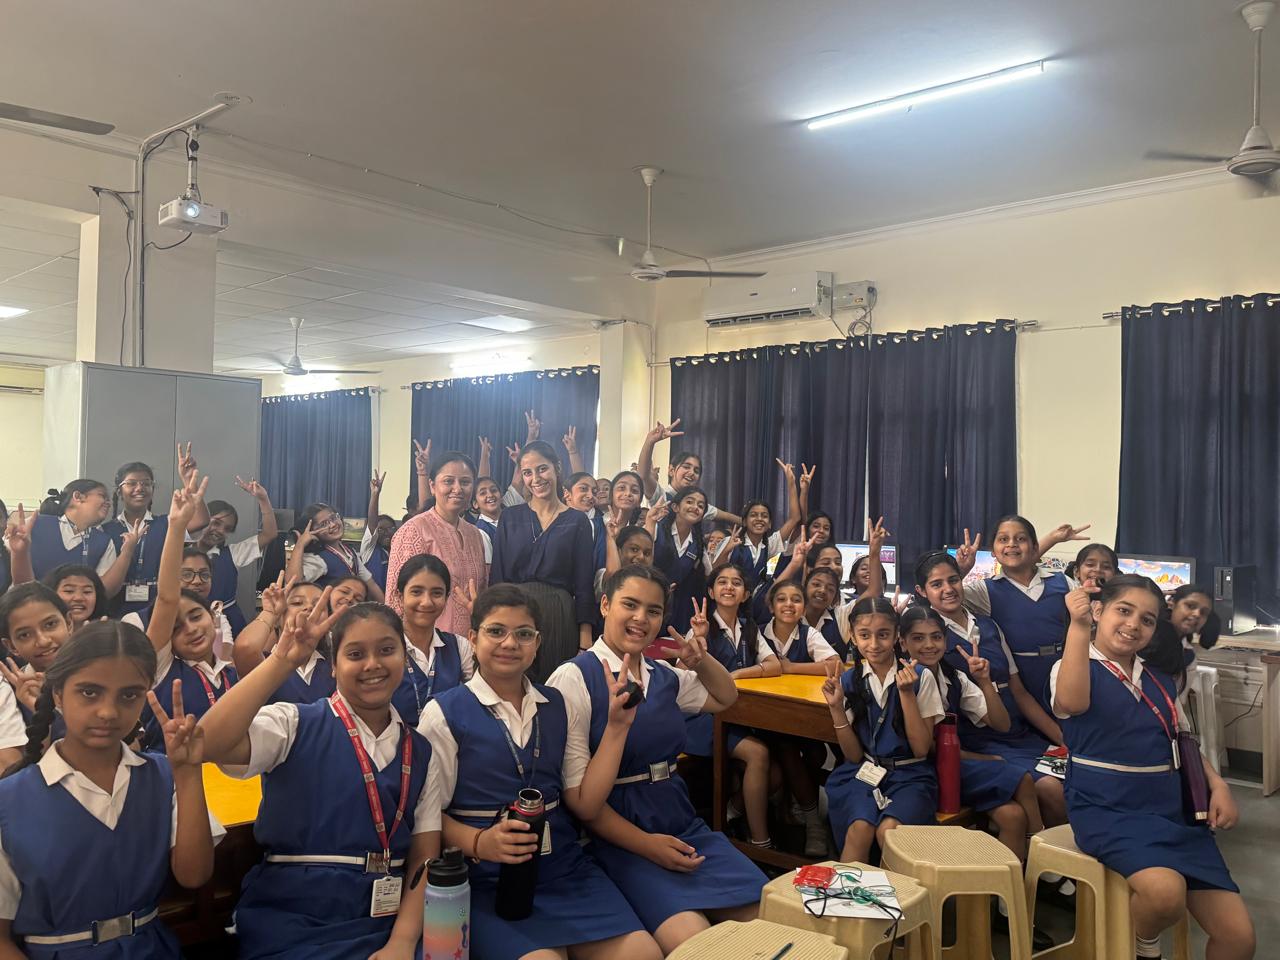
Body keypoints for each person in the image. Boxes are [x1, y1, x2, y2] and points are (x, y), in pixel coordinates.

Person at [418, 584, 663, 960]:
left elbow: (585, 801)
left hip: (563, 867)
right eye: (496, 631)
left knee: (644, 953)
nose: (509, 643)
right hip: (488, 877)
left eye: (523, 634)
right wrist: (480, 842)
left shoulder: (557, 704)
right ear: (473, 638)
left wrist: (617, 728)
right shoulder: (444, 712)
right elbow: (427, 817)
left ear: (537, 643)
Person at [199, 599, 443, 960]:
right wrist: (281, 662)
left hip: (388, 919)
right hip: (295, 915)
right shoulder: (293, 724)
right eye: (355, 654)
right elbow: (208, 743)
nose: (372, 664)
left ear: (404, 658)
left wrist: (403, 943)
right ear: (333, 666)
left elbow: (424, 856)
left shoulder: (420, 750)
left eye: (386, 650)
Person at [548, 566, 764, 953]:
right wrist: (648, 846)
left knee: (768, 917)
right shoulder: (574, 678)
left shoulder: (662, 674)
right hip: (618, 835)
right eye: (629, 605)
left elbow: (725, 697)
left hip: (680, 822)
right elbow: (579, 800)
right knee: (696, 941)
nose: (641, 618)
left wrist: (700, 661)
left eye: (653, 610)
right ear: (604, 605)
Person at [1052, 576, 1255, 960]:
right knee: (1164, 895)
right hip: (1107, 809)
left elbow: (1184, 741)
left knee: (1238, 938)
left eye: (1146, 619)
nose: (1133, 624)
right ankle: (1144, 946)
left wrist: (1218, 785)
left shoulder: (1159, 681)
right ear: (1098, 610)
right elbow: (1072, 702)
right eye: (1123, 610)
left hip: (1172, 813)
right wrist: (1078, 628)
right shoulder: (1073, 667)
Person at [0, 621, 217, 959]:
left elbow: (194, 876)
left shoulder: (163, 776)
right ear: (58, 695)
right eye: (89, 692)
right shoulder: (10, 801)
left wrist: (188, 775)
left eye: (129, 695)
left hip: (151, 948)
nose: (108, 712)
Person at [915, 550, 1066, 825]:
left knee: (1077, 774)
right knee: (1051, 788)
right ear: (922, 592)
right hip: (977, 739)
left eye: (953, 580)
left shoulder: (988, 625)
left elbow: (1019, 692)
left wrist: (1061, 738)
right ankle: (1046, 851)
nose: (948, 589)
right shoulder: (928, 640)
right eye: (937, 584)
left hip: (1018, 733)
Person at [899, 605, 1043, 859]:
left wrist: (985, 682)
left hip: (952, 764)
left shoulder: (954, 677)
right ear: (903, 643)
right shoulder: (905, 682)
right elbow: (928, 749)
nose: (929, 645)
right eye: (918, 638)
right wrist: (984, 759)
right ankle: (1041, 856)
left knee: (1013, 816)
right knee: (1022, 778)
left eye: (936, 637)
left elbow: (1001, 724)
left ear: (945, 640)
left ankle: (1017, 880)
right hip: (925, 769)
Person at [821, 597, 942, 864]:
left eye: (883, 634)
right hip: (864, 771)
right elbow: (853, 756)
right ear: (852, 636)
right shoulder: (849, 680)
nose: (874, 644)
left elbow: (921, 749)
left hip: (910, 774)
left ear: (897, 634)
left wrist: (906, 695)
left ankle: (897, 891)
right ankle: (848, 892)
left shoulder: (920, 677)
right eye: (865, 635)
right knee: (860, 828)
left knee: (889, 832)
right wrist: (836, 709)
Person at [683, 562, 779, 851]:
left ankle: (732, 811)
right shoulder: (700, 626)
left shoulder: (749, 628)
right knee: (758, 754)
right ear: (711, 592)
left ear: (746, 594)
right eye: (722, 582)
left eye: (736, 583)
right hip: (701, 718)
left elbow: (773, 665)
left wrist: (736, 675)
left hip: (735, 716)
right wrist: (699, 638)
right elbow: (682, 674)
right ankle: (760, 843)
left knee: (776, 773)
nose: (729, 587)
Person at [140, 473, 236, 752]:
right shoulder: (163, 669)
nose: (191, 628)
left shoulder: (231, 675)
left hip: (228, 776)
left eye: (196, 616)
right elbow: (167, 599)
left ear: (212, 617)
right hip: (171, 774)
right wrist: (176, 526)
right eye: (176, 628)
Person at [955, 518, 1087, 713]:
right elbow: (944, 597)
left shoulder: (1062, 582)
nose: (1011, 544)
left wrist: (1052, 538)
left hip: (1063, 669)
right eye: (1003, 539)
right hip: (1017, 680)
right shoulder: (985, 591)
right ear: (993, 551)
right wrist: (962, 569)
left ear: (1034, 547)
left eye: (1020, 539)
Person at [491, 442, 595, 681]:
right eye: (527, 473)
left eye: (542, 469)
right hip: (514, 615)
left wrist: (585, 638)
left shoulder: (577, 521)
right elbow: (498, 578)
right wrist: (495, 625)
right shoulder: (509, 517)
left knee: (556, 688)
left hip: (560, 615)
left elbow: (584, 584)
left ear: (557, 467)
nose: (536, 479)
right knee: (513, 686)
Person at [385, 452, 488, 634]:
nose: (457, 489)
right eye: (448, 481)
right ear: (432, 486)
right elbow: (395, 599)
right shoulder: (414, 531)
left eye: (465, 482)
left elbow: (481, 590)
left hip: (469, 641)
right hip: (426, 642)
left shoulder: (475, 534)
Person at [104, 454, 210, 615]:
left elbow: (200, 520)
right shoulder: (105, 531)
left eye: (146, 483)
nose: (139, 488)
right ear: (119, 492)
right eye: (131, 483)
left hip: (158, 607)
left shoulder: (167, 523)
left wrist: (189, 481)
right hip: (115, 609)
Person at [390, 555, 475, 727]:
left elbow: (482, 692)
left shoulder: (459, 646)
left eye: (437, 593)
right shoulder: (382, 648)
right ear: (400, 596)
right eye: (416, 592)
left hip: (446, 742)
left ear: (446, 598)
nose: (427, 602)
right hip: (394, 742)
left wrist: (483, 620)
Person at [191, 478, 279, 637]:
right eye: (216, 523)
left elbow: (269, 534)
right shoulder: (181, 551)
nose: (220, 530)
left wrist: (263, 499)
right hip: (191, 620)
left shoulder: (233, 553)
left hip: (229, 623)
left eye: (227, 529)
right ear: (204, 518)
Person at [27, 479, 138, 598]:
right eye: (102, 496)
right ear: (78, 497)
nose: (108, 503)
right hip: (34, 604)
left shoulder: (103, 541)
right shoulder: (36, 525)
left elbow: (104, 591)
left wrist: (127, 552)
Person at [0, 583, 74, 745]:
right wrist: (40, 714)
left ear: (69, 623)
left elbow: (128, 747)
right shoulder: (9, 694)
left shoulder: (100, 674)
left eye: (50, 624)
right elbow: (31, 759)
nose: (43, 641)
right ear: (11, 646)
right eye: (25, 635)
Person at [636, 420, 741, 526]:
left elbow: (728, 517)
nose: (691, 473)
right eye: (686, 467)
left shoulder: (697, 504)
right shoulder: (661, 497)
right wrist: (650, 441)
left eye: (696, 471)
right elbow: (643, 476)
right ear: (671, 470)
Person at [287, 502, 385, 603]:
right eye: (323, 524)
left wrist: (385, 609)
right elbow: (292, 584)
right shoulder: (317, 558)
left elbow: (371, 584)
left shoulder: (350, 552)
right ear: (312, 532)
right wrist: (300, 545)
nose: (333, 525)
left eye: (333, 518)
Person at [730, 460, 805, 589]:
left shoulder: (768, 546)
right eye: (753, 515)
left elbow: (795, 518)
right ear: (744, 521)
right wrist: (726, 550)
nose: (759, 519)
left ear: (770, 524)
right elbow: (714, 570)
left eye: (764, 516)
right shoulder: (731, 542)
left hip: (752, 599)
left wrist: (791, 482)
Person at [652, 488, 711, 635]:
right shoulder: (656, 529)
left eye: (700, 506)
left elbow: (710, 574)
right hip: (652, 599)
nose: (695, 507)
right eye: (690, 502)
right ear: (675, 507)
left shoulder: (698, 544)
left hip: (679, 609)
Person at [41, 564, 108, 631]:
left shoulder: (108, 633)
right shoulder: (41, 633)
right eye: (69, 591)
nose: (78, 598)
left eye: (87, 592)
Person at [361, 472, 396, 594]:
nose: (387, 533)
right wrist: (375, 494)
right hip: (374, 602)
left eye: (391, 528)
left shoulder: (398, 551)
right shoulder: (369, 548)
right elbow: (372, 523)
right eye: (381, 530)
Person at [469, 476, 503, 543]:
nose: (490, 495)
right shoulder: (481, 531)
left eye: (494, 490)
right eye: (483, 493)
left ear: (501, 496)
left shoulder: (511, 517)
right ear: (475, 503)